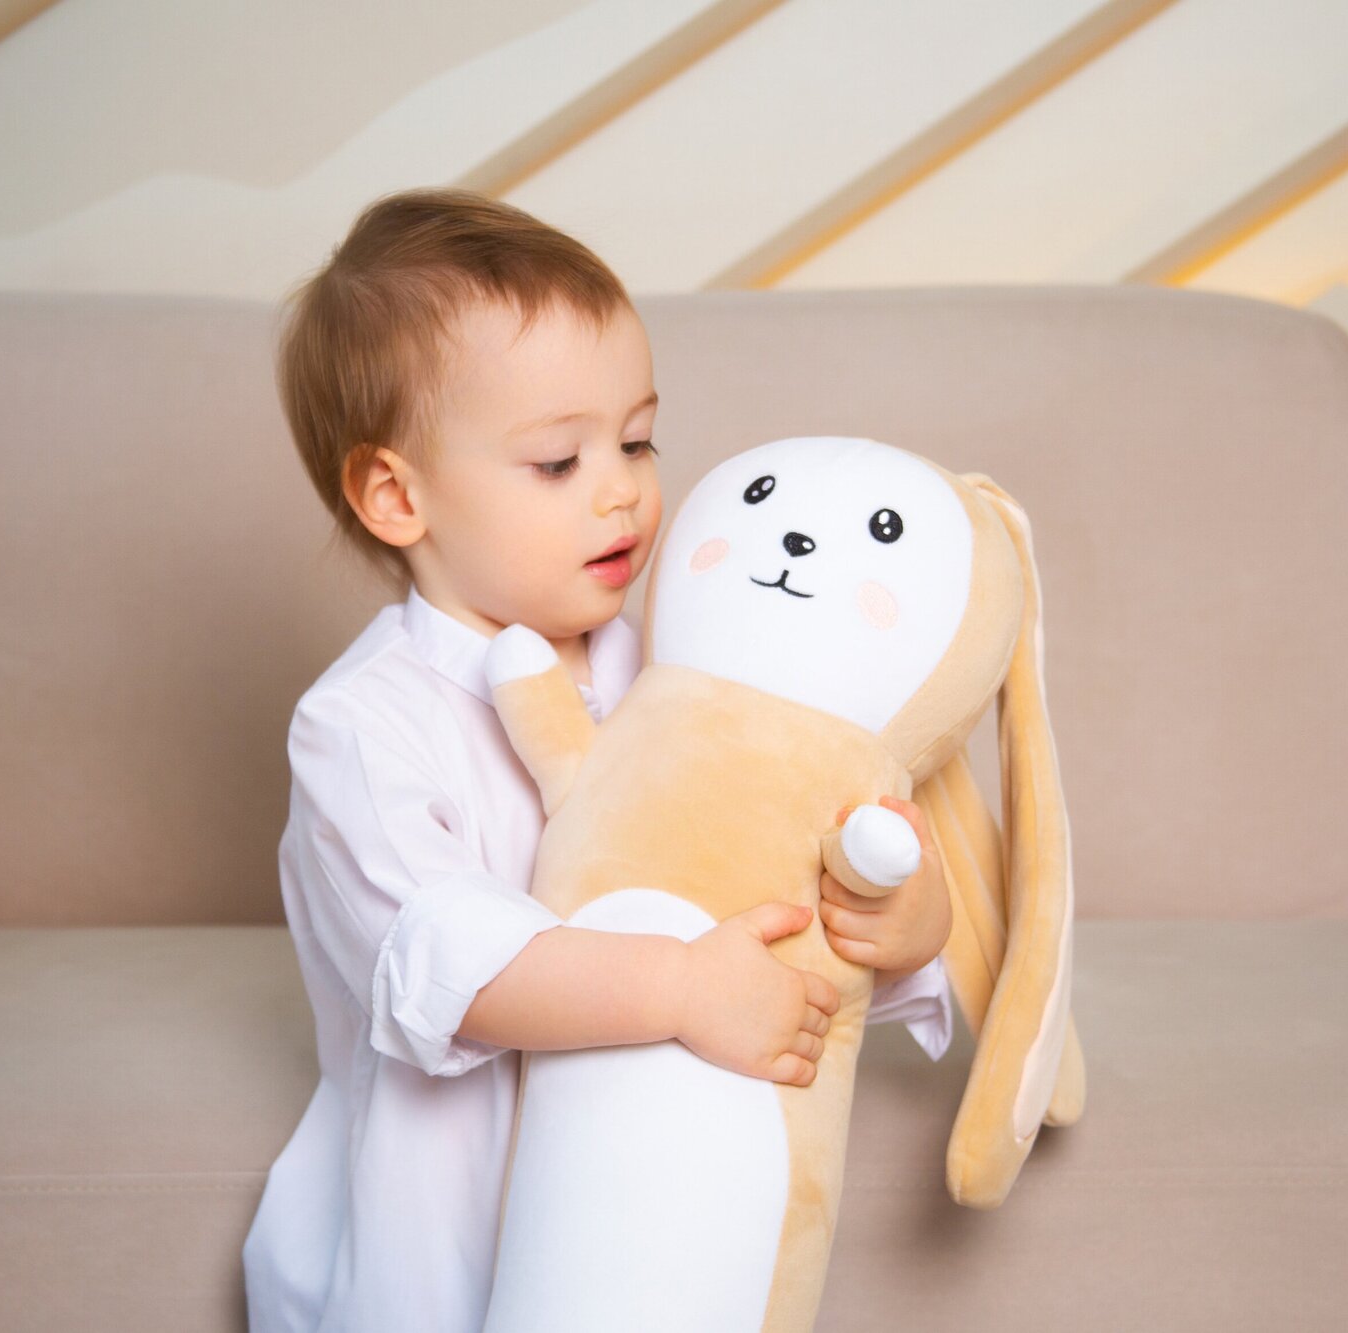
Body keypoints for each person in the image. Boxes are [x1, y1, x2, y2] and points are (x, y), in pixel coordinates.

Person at [242, 186, 956, 1333]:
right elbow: (452, 971)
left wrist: (899, 923)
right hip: (444, 1247)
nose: (621, 488)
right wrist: (678, 986)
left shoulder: (681, 674)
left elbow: (766, 910)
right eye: (556, 461)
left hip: (652, 1217)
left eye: (634, 440)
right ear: (396, 495)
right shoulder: (363, 729)